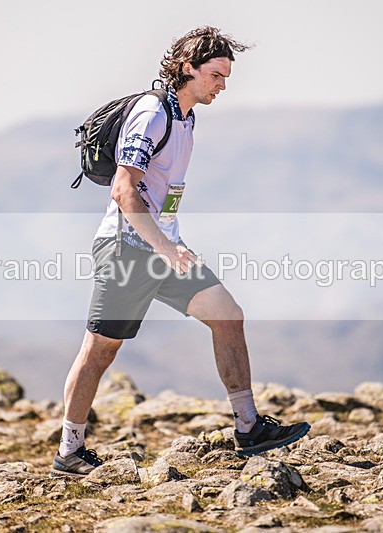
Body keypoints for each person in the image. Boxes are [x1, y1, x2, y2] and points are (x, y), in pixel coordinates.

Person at [51, 27, 310, 477]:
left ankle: (249, 427)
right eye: (216, 75)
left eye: (226, 77)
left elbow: (163, 192)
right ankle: (69, 452)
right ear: (187, 67)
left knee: (228, 316)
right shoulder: (153, 113)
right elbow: (123, 190)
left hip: (166, 249)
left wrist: (174, 242)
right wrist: (164, 245)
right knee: (100, 351)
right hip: (126, 250)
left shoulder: (186, 116)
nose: (223, 85)